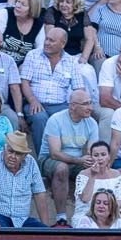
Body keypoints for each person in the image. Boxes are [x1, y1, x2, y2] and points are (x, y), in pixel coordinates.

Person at [20, 27, 84, 157]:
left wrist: (76, 106)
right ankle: (44, 159)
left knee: (68, 118)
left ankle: (68, 160)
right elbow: (24, 82)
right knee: (39, 118)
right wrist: (32, 100)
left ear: (62, 44)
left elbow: (79, 89)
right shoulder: (33, 55)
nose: (47, 43)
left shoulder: (71, 61)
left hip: (60, 105)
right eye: (46, 39)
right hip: (35, 103)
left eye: (52, 41)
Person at [40, 89, 98, 226]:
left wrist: (91, 161)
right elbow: (54, 153)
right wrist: (79, 160)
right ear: (72, 106)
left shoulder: (92, 123)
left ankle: (91, 216)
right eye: (85, 104)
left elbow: (93, 150)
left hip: (75, 161)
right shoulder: (56, 120)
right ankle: (61, 218)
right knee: (61, 168)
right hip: (49, 159)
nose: (90, 107)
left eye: (90, 103)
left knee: (95, 169)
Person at [75, 140, 121, 222]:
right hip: (86, 215)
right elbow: (85, 199)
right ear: (91, 157)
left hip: (110, 215)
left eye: (103, 154)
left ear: (109, 157)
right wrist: (93, 175)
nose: (100, 158)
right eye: (96, 155)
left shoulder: (116, 174)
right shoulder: (83, 175)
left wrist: (107, 210)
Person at [0, 0, 44, 66]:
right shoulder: (6, 13)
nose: (18, 6)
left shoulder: (38, 24)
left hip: (23, 66)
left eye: (23, 5)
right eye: (18, 2)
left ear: (32, 9)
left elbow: (40, 50)